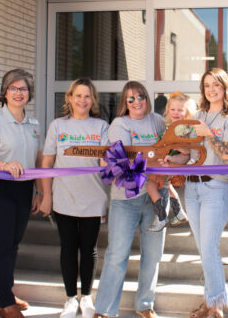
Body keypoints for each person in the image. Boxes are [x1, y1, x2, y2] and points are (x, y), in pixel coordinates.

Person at [94, 81, 167, 318]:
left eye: (140, 97)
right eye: (130, 99)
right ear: (124, 103)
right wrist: (153, 175)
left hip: (157, 194)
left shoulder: (157, 120)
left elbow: (167, 151)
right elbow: (125, 162)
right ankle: (105, 310)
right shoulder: (119, 124)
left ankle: (145, 305)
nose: (137, 102)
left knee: (153, 254)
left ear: (147, 98)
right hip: (127, 198)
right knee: (117, 254)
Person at [0, 69, 44, 318]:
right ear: (5, 92)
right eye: (13, 88)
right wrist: (5, 165)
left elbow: (37, 159)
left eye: (23, 89)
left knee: (13, 243)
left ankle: (2, 291)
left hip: (24, 189)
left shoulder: (34, 123)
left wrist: (39, 191)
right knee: (3, 244)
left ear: (30, 94)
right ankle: (6, 303)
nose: (18, 93)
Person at [39, 78, 109, 318]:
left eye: (87, 96)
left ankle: (87, 297)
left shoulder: (101, 127)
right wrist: (45, 195)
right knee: (68, 248)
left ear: (93, 100)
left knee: (89, 249)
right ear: (69, 98)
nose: (82, 100)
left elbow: (105, 162)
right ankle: (70, 298)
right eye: (78, 95)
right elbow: (47, 163)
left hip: (93, 198)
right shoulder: (57, 126)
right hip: (64, 198)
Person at [185, 68, 228, 318]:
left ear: (225, 88)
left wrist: (208, 134)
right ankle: (211, 302)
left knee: (209, 248)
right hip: (191, 187)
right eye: (207, 85)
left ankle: (215, 306)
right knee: (203, 248)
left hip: (215, 188)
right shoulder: (196, 116)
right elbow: (187, 152)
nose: (211, 89)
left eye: (216, 85)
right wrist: (169, 161)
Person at [145, 91, 196, 232]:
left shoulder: (183, 129)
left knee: (150, 186)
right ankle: (179, 212)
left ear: (187, 112)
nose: (175, 113)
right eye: (172, 109)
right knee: (166, 186)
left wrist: (171, 154)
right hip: (165, 162)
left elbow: (186, 152)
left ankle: (161, 217)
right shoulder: (171, 127)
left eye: (180, 110)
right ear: (167, 111)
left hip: (171, 163)